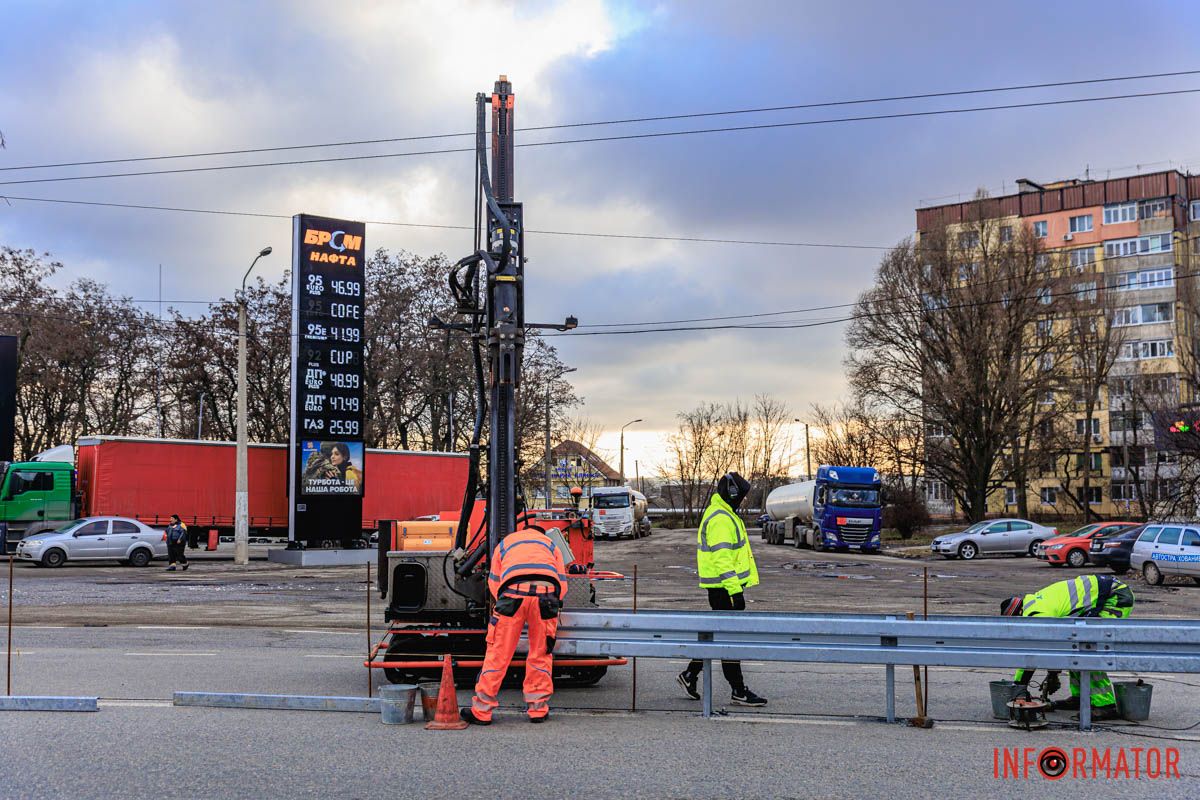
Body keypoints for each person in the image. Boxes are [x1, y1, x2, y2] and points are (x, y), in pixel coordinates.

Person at [461, 526, 570, 725]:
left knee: (498, 653)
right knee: (541, 653)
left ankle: (482, 711)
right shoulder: (550, 543)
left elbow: (494, 581)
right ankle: (537, 710)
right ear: (540, 533)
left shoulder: (506, 543)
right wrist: (552, 603)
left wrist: (503, 602)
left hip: (512, 594)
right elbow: (562, 582)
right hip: (546, 596)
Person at [677, 472, 767, 707]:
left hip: (724, 587)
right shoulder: (720, 518)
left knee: (718, 635)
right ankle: (737, 689)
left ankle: (690, 674)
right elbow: (722, 559)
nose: (743, 500)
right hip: (723, 589)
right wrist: (735, 591)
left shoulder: (725, 513)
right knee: (728, 640)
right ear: (732, 494)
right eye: (741, 496)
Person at [1001, 574, 1134, 721]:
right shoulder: (1034, 602)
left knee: (1089, 652)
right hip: (1107, 592)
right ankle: (1081, 697)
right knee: (1076, 649)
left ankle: (1106, 705)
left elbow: (1038, 650)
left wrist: (1023, 685)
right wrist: (1051, 673)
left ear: (1016, 616)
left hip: (1114, 597)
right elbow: (1052, 646)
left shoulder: (1036, 614)